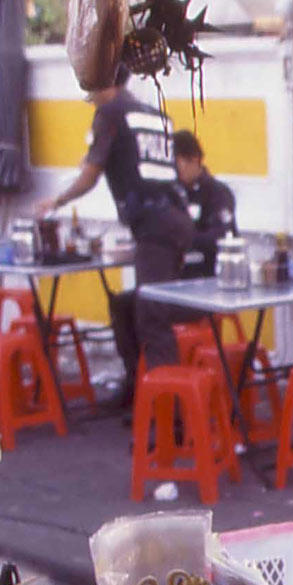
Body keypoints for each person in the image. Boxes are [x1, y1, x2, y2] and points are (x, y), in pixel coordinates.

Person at [31, 67, 200, 404]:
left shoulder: (109, 113)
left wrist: (57, 200)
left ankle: (170, 417)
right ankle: (137, 393)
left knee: (153, 316)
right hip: (176, 220)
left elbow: (90, 175)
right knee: (128, 306)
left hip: (154, 226)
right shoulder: (153, 114)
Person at [172, 129, 238, 279]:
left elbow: (220, 236)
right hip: (177, 276)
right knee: (127, 300)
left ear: (194, 159)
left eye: (177, 163)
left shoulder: (218, 193)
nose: (174, 171)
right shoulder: (173, 192)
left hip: (209, 275)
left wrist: (185, 238)